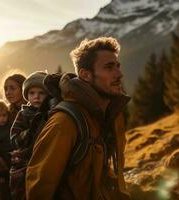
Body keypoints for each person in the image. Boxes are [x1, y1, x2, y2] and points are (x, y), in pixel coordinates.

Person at [25, 37, 131, 199]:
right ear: (85, 75)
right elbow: (39, 189)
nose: (119, 74)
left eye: (117, 66)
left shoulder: (104, 114)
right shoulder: (64, 123)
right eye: (109, 67)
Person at [0, 73, 26, 200]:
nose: (8, 92)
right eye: (5, 89)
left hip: (29, 170)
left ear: (23, 88)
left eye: (12, 88)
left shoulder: (34, 111)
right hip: (6, 171)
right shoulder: (4, 115)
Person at [9, 71, 48, 200]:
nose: (36, 97)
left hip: (44, 157)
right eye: (32, 93)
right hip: (24, 159)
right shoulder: (23, 114)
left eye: (41, 93)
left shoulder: (51, 113)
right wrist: (28, 132)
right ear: (27, 95)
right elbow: (14, 137)